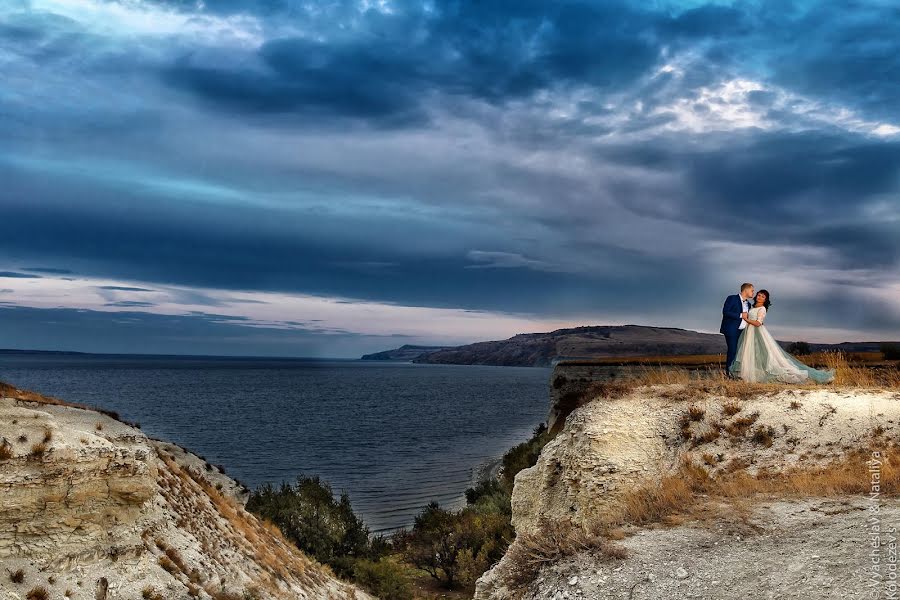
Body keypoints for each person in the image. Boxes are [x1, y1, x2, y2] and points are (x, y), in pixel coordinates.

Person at [729, 289, 835, 383]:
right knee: (751, 353)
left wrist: (746, 319)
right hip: (749, 332)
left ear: (765, 300)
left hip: (757, 332)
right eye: (759, 295)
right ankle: (747, 374)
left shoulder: (762, 309)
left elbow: (758, 323)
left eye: (763, 296)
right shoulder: (752, 307)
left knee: (765, 354)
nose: (760, 297)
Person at [720, 283, 754, 377]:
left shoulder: (749, 304)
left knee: (740, 352)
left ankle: (737, 373)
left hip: (743, 331)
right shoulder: (731, 298)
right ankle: (729, 375)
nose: (753, 292)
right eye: (752, 290)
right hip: (731, 330)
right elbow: (725, 312)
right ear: (746, 290)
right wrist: (740, 315)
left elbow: (747, 317)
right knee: (732, 350)